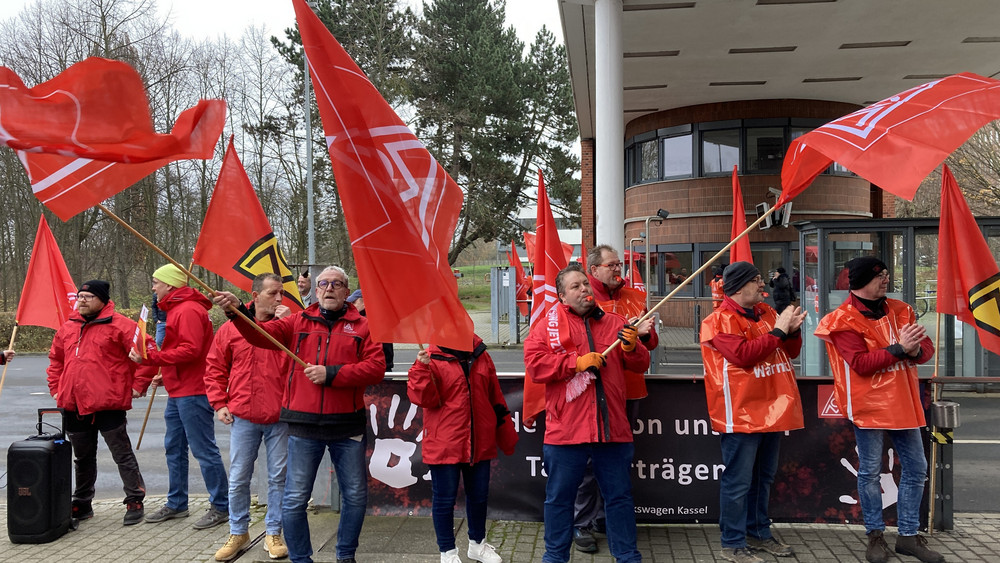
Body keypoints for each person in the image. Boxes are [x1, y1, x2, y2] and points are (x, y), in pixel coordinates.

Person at [212, 265, 385, 563]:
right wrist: (237, 310)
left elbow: (376, 367)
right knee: (293, 500)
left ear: (346, 291)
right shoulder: (296, 323)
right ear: (316, 291)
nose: (330, 288)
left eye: (337, 284)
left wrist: (332, 374)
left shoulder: (363, 326)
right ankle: (301, 558)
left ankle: (345, 556)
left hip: (348, 426)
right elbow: (259, 336)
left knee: (355, 497)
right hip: (304, 426)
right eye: (324, 284)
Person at [815, 257, 942, 563]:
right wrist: (900, 349)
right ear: (859, 282)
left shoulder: (903, 309)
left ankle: (908, 537)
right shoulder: (842, 319)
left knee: (917, 468)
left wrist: (913, 349)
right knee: (870, 472)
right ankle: (875, 536)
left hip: (904, 402)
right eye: (880, 275)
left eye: (887, 274)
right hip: (867, 406)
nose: (887, 279)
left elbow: (925, 351)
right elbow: (859, 364)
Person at [524, 264, 649, 563]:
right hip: (566, 431)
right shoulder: (546, 327)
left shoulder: (615, 322)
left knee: (619, 499)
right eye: (576, 287)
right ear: (562, 297)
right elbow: (535, 365)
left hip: (612, 429)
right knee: (559, 500)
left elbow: (640, 365)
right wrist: (574, 363)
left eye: (586, 284)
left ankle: (628, 557)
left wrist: (633, 348)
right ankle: (554, 557)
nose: (584, 290)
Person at [700, 262, 805, 563]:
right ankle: (732, 543)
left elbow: (790, 351)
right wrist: (779, 331)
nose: (763, 286)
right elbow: (742, 355)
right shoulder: (718, 320)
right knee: (738, 482)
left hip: (771, 410)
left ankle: (758, 533)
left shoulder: (768, 313)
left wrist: (792, 332)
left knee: (763, 478)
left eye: (761, 280)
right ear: (738, 287)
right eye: (757, 281)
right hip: (740, 414)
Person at [570, 244, 658, 552]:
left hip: (629, 391)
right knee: (587, 463)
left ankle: (606, 517)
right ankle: (581, 522)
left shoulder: (635, 298)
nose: (618, 269)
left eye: (619, 265)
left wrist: (643, 336)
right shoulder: (584, 299)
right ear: (594, 270)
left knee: (617, 463)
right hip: (593, 393)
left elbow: (652, 345)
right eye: (611, 265)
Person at [131, 264, 230, 530]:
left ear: (170, 285)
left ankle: (221, 506)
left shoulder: (186, 310)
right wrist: (166, 373)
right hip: (180, 389)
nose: (153, 287)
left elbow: (191, 350)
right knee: (174, 448)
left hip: (194, 390)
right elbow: (186, 351)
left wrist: (153, 357)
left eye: (156, 282)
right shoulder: (178, 308)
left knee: (203, 449)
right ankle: (177, 503)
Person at [47, 280, 148, 526]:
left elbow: (144, 354)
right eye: (79, 296)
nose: (81, 300)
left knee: (122, 454)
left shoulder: (122, 326)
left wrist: (138, 384)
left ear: (102, 300)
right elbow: (55, 361)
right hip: (74, 404)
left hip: (109, 403)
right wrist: (55, 389)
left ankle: (134, 499)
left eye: (88, 297)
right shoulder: (67, 328)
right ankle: (82, 503)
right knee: (82, 458)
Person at [205, 273, 292, 561]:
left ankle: (273, 532)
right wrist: (219, 403)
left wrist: (289, 323)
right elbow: (215, 367)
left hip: (280, 414)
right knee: (239, 476)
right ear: (255, 296)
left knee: (278, 477)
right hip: (243, 414)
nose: (279, 299)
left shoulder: (289, 328)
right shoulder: (231, 330)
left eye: (281, 293)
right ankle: (238, 531)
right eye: (272, 293)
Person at [407, 335, 516, 563]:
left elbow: (494, 395)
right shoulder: (430, 357)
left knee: (479, 497)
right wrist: (420, 370)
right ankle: (447, 552)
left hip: (479, 440)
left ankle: (477, 545)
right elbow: (423, 399)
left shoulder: (481, 355)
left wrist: (505, 429)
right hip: (445, 442)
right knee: (444, 499)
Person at [346, 289, 394, 371]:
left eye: (354, 302)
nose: (351, 306)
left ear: (365, 302)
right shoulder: (375, 318)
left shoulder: (372, 321)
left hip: (377, 370)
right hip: (371, 368)